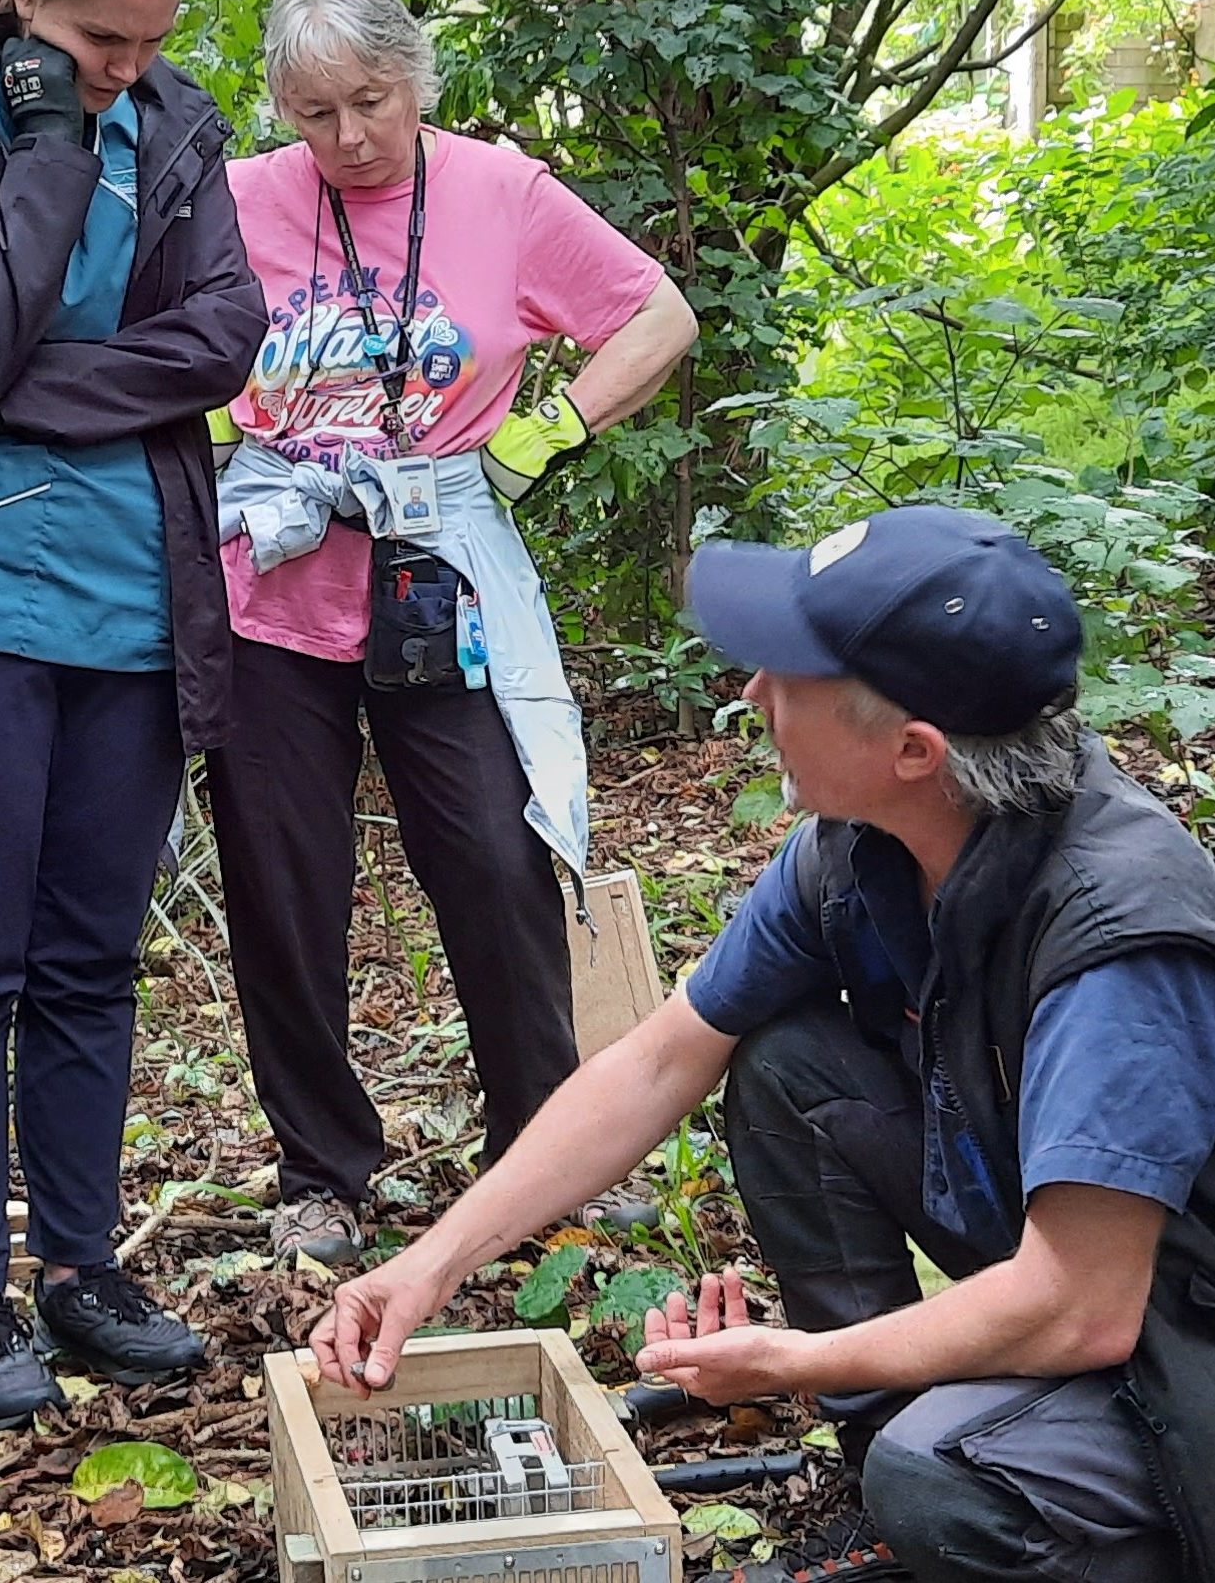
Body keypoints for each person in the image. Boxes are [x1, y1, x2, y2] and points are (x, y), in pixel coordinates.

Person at [313, 506, 1215, 1583]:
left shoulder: (1118, 933)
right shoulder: (858, 848)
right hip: (1069, 1261)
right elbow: (658, 1060)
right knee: (789, 1063)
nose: (751, 696)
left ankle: (1071, 1519)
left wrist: (796, 1363)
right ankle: (891, 1477)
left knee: (944, 1478)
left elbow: (1082, 1303)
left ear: (912, 750)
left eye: (784, 676)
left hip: (1168, 1331)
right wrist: (429, 1266)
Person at [205, 0, 698, 1267]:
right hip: (270, 589)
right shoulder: (238, 202)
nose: (348, 138)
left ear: (415, 77)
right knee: (282, 883)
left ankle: (543, 1145)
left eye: (369, 100)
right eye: (315, 115)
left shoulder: (498, 194)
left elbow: (658, 313)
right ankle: (320, 1167)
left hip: (440, 574)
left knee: (490, 851)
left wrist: (548, 430)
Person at [0, 0, 268, 1428]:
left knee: (93, 961)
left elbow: (221, 339)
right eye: (103, 42)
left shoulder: (176, 128)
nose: (129, 72)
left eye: (149, 42)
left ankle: (84, 1269)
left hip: (135, 606)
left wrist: (19, 387)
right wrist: (41, 140)